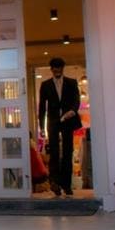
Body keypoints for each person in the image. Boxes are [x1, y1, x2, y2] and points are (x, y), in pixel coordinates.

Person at [38, 57, 82, 196]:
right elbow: (42, 107)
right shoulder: (45, 85)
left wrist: (73, 111)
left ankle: (66, 185)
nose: (57, 71)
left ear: (63, 69)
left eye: (59, 69)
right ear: (51, 70)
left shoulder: (71, 82)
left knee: (68, 152)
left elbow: (77, 100)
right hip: (53, 122)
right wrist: (41, 127)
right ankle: (55, 183)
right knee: (54, 153)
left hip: (68, 121)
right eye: (55, 69)